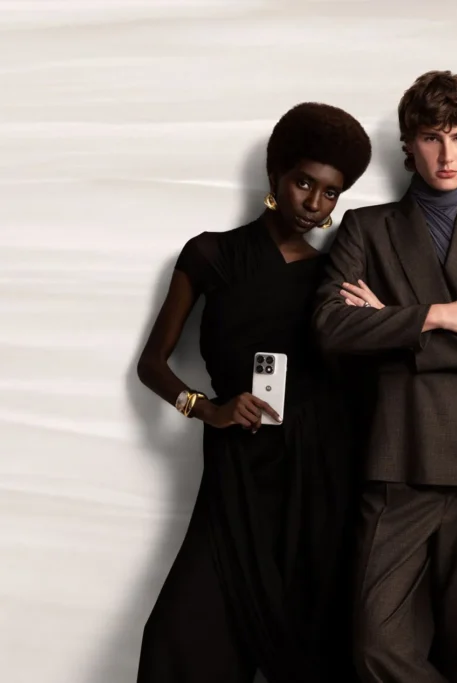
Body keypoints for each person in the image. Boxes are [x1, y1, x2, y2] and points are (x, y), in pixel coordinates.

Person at [312, 70, 457, 683]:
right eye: (432, 137)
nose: (446, 153)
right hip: (397, 462)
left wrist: (393, 327)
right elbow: (330, 326)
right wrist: (440, 315)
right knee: (373, 643)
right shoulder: (366, 228)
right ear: (409, 145)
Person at [135, 102, 372, 683]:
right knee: (178, 635)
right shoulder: (210, 254)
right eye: (304, 183)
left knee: (312, 645)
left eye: (331, 193)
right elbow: (152, 364)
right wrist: (207, 409)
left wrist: (377, 318)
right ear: (275, 175)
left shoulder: (334, 278)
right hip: (236, 466)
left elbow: (355, 382)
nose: (314, 203)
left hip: (316, 476)